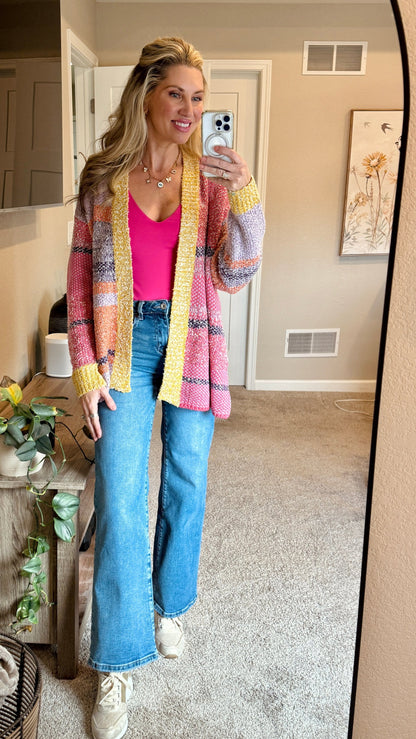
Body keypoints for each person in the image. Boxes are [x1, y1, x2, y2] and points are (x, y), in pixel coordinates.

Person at [67, 36, 265, 739]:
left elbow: (235, 274)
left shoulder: (210, 180)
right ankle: (115, 664)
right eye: (176, 92)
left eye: (199, 97)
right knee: (120, 495)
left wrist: (243, 192)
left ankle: (169, 605)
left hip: (193, 340)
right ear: (146, 94)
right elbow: (79, 281)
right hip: (124, 348)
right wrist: (86, 369)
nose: (189, 108)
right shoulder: (102, 177)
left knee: (186, 477)